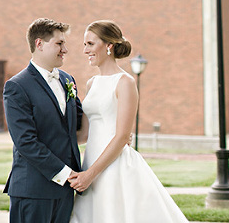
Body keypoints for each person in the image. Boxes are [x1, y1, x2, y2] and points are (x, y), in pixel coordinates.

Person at [69, 20, 188, 222]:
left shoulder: (125, 82)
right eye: (84, 44)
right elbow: (85, 134)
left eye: (90, 44)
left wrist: (90, 174)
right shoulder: (92, 83)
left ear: (109, 46)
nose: (85, 50)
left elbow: (123, 135)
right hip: (89, 162)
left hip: (114, 167)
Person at [3, 18, 83, 223]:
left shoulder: (67, 80)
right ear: (39, 44)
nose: (65, 49)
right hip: (33, 190)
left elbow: (80, 123)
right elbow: (25, 142)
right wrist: (66, 174)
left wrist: (117, 132)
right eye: (59, 43)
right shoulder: (17, 86)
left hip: (65, 191)